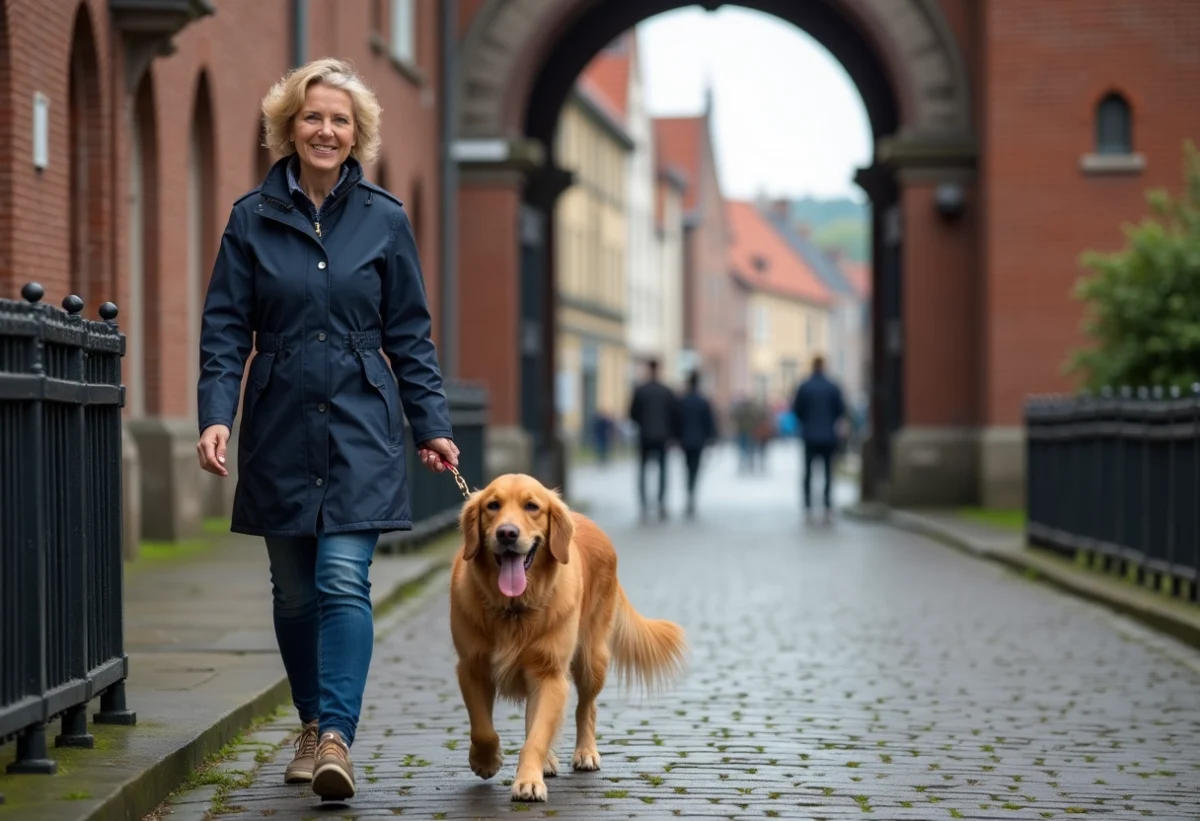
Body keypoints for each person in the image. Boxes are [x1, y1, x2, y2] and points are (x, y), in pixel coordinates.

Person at [195, 57, 459, 804]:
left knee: (344, 577)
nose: (325, 129)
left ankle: (337, 733)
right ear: (289, 125)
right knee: (292, 591)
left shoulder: (385, 218)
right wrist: (216, 412)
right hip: (279, 420)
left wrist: (431, 424)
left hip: (359, 421)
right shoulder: (251, 217)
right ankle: (309, 723)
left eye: (340, 120)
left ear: (357, 134)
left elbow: (410, 333)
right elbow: (223, 327)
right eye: (313, 117)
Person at [791, 354, 846, 524]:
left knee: (808, 471)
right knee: (828, 472)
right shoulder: (833, 386)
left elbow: (797, 409)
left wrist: (806, 423)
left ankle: (808, 505)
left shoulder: (804, 386)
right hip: (828, 435)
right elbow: (840, 409)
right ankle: (827, 505)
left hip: (809, 435)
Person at [628, 359, 678, 520]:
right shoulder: (667, 391)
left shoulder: (640, 390)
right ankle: (661, 504)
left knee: (643, 471)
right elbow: (674, 415)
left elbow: (632, 414)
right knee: (663, 472)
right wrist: (672, 434)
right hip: (663, 437)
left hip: (645, 436)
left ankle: (643, 505)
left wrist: (643, 424)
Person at [675, 370, 718, 517]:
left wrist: (676, 437)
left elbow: (677, 421)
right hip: (699, 441)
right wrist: (711, 438)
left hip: (685, 440)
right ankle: (691, 495)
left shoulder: (682, 400)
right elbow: (709, 422)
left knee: (687, 468)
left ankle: (689, 494)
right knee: (695, 469)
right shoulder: (702, 401)